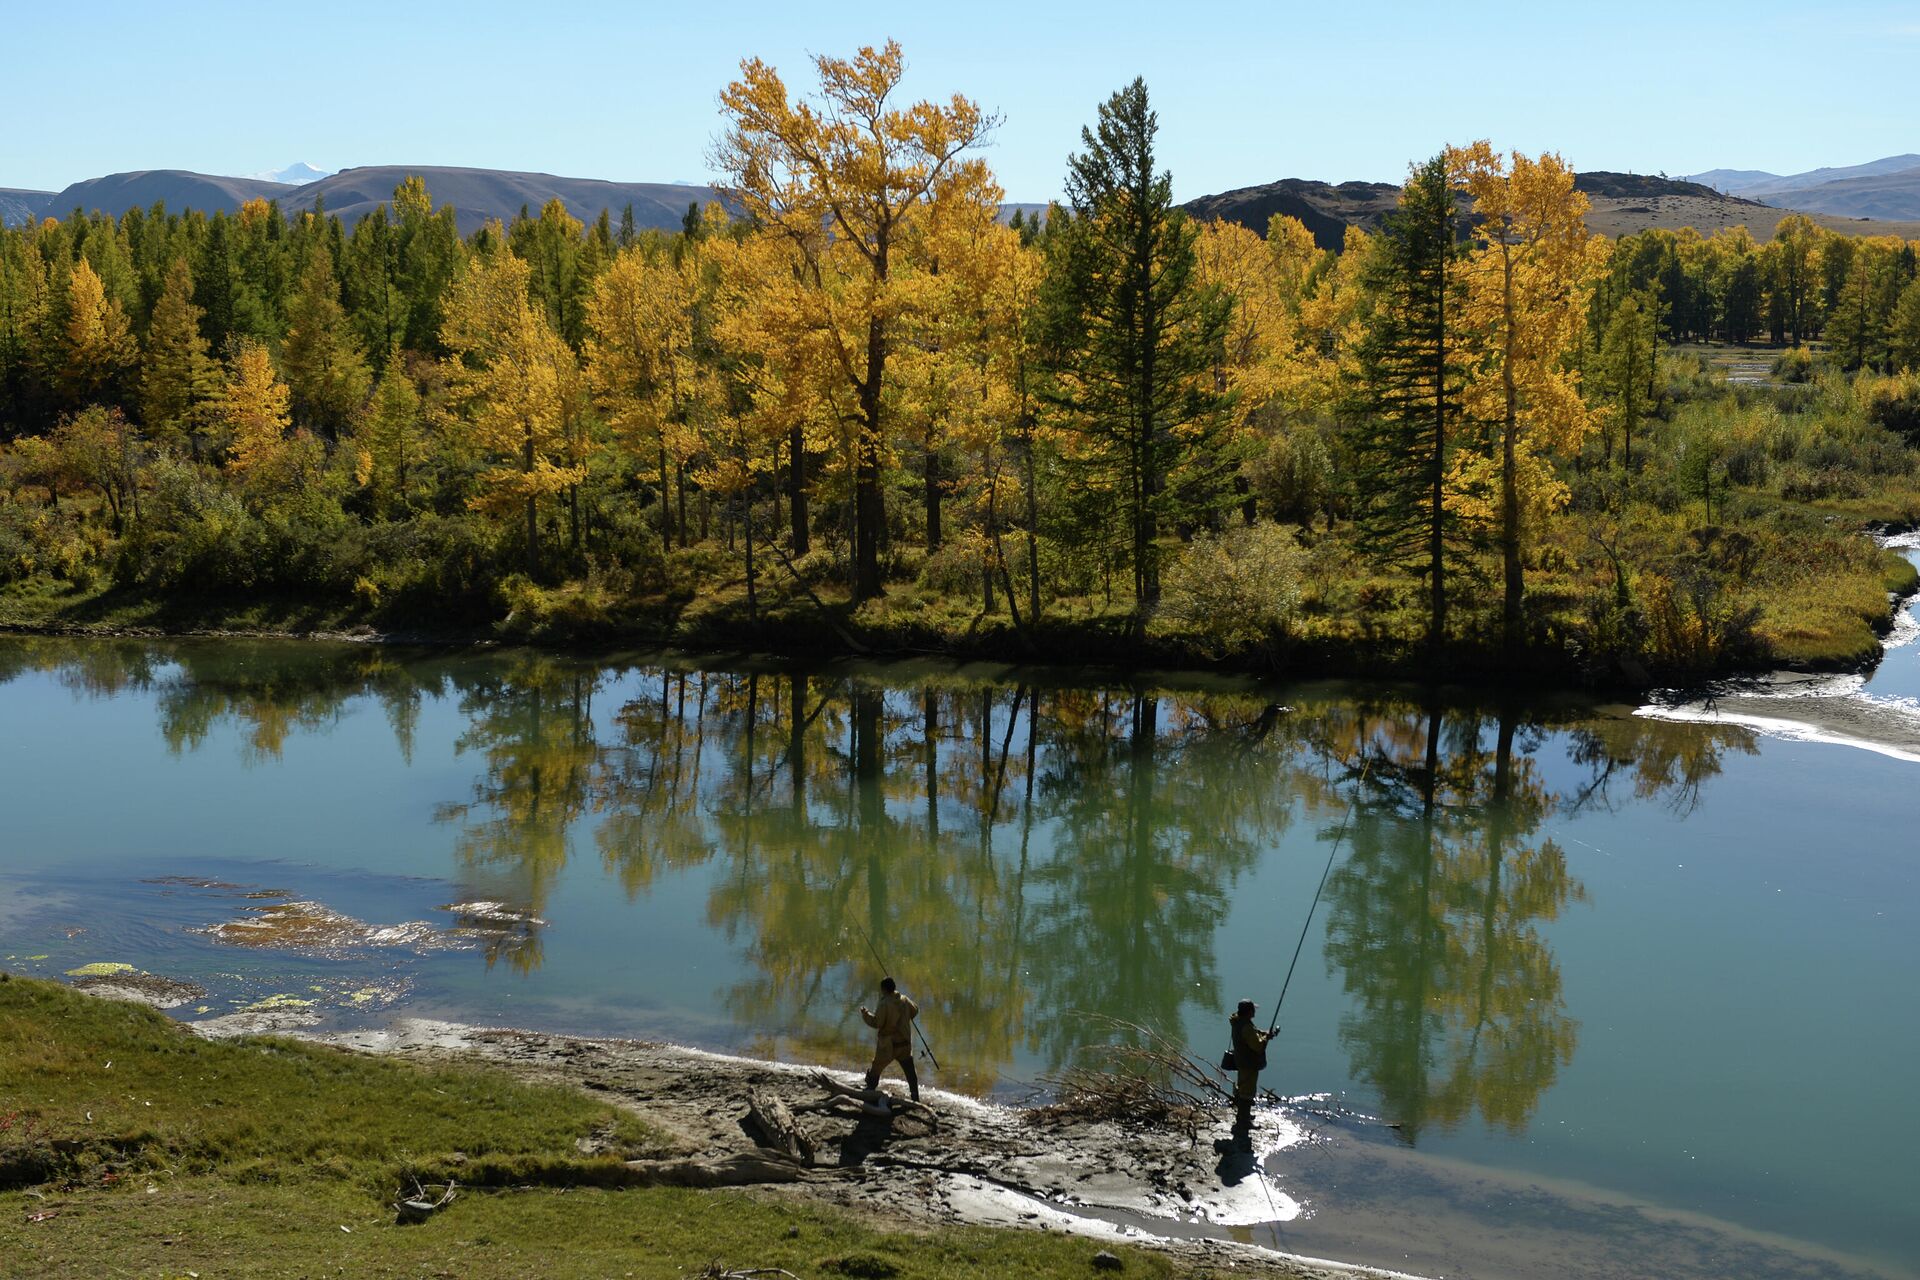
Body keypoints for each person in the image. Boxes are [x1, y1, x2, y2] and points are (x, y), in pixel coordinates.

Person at [860, 976, 920, 1102]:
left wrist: (865, 1015)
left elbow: (877, 1023)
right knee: (909, 1070)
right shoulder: (904, 999)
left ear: (884, 989)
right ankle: (915, 1097)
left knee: (876, 1067)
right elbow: (915, 1010)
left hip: (888, 1045)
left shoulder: (884, 1003)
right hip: (904, 1043)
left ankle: (870, 1091)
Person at [1229, 999, 1274, 1131]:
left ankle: (1243, 1115)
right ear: (1249, 1012)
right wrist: (1266, 1039)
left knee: (1242, 1087)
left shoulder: (1237, 1021)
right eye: (1253, 1009)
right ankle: (1244, 1121)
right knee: (1247, 1092)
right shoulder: (1247, 1027)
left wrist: (1263, 1033)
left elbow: (1251, 1033)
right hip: (1248, 1063)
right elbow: (1258, 1046)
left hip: (1241, 1060)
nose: (1255, 1011)